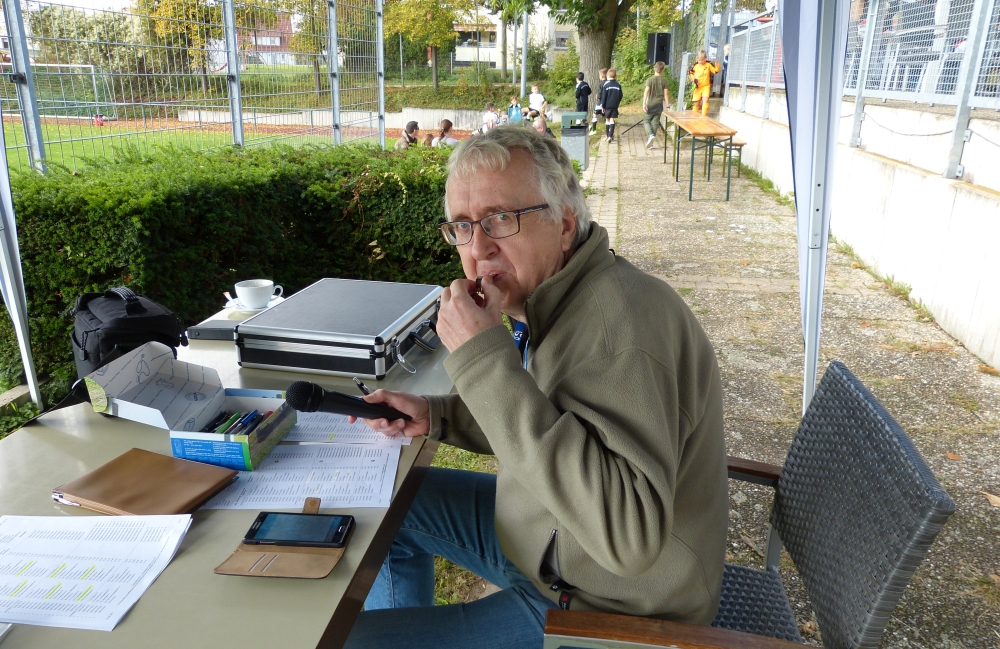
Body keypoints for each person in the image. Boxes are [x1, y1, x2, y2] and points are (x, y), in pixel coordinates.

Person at [342, 125, 728, 649]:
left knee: (344, 643)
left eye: (502, 219)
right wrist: (441, 416)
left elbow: (628, 538)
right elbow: (553, 420)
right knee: (391, 500)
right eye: (462, 226)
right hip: (548, 540)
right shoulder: (557, 298)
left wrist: (482, 359)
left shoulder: (622, 328)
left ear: (564, 223)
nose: (478, 248)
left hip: (611, 609)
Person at [641, 61, 672, 149]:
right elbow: (666, 94)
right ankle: (651, 143)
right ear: (663, 70)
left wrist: (644, 103)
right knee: (655, 122)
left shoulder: (650, 79)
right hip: (659, 104)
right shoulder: (664, 80)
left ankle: (650, 135)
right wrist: (668, 106)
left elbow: (646, 91)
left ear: (654, 69)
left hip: (650, 103)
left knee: (646, 121)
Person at [689, 50, 720, 116]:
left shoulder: (709, 64)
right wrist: (693, 78)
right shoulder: (695, 65)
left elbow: (715, 71)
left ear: (705, 58)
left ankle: (703, 116)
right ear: (698, 59)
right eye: (699, 60)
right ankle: (694, 116)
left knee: (705, 100)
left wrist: (717, 66)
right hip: (697, 87)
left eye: (702, 60)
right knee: (697, 103)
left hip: (706, 86)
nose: (701, 62)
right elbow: (690, 73)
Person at [598, 68, 622, 143]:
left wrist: (603, 106)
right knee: (612, 120)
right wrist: (617, 102)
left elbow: (604, 97)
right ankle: (610, 136)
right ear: (615, 76)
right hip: (614, 106)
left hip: (607, 106)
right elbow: (621, 95)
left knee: (607, 120)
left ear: (607, 76)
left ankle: (608, 135)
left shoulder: (606, 85)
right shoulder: (618, 85)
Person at [590, 68, 608, 135]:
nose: (599, 77)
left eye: (599, 75)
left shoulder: (601, 84)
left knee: (595, 114)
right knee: (607, 118)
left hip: (600, 103)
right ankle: (608, 132)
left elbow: (600, 93)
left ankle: (594, 130)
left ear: (602, 76)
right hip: (606, 104)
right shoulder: (608, 83)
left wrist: (598, 96)